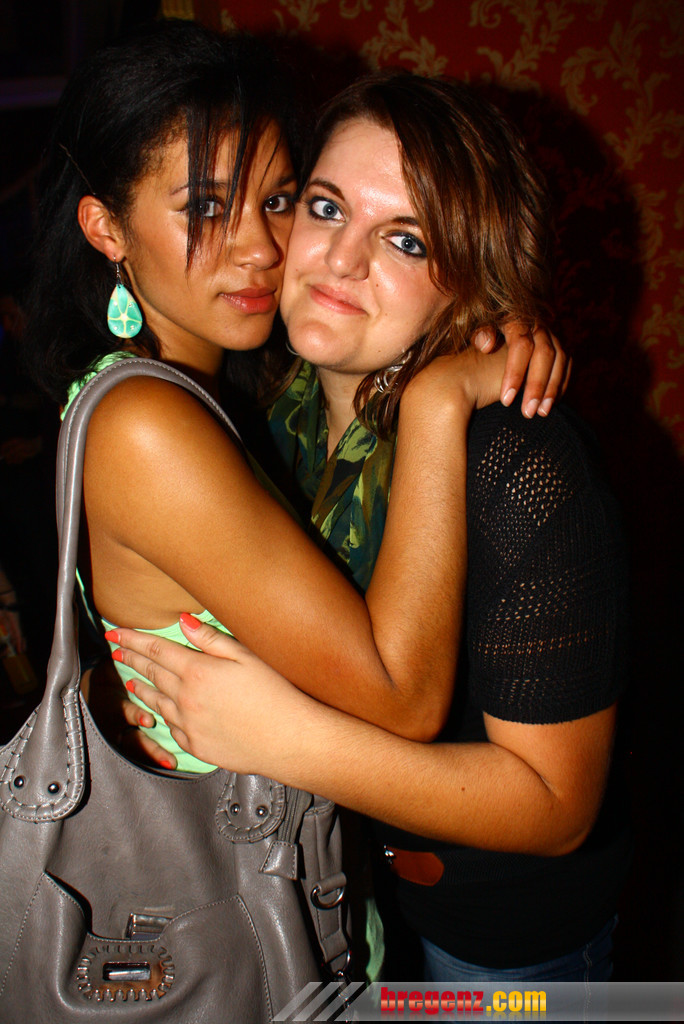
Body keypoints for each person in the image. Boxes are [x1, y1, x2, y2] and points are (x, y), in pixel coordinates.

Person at [112, 72, 630, 983]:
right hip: (342, 888)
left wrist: (280, 735)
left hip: (495, 937)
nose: (341, 260)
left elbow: (557, 807)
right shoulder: (276, 411)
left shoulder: (520, 459)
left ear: (470, 276)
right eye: (325, 208)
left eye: (406, 239)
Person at [23, 18, 561, 784]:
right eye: (206, 208)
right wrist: (438, 402)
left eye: (279, 200)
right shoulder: (148, 424)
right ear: (106, 229)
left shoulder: (261, 396)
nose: (261, 248)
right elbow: (402, 699)